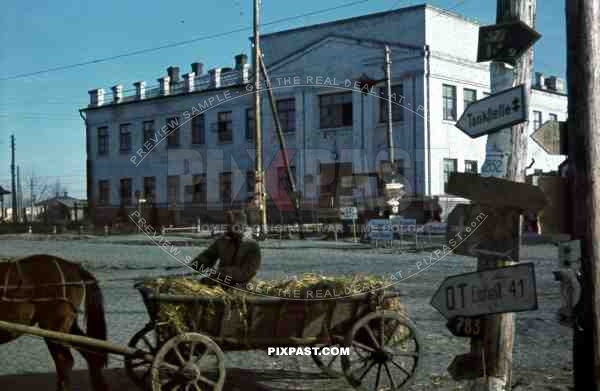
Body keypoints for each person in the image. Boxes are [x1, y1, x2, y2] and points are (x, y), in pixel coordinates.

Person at [188, 210, 261, 289]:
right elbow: (208, 256)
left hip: (244, 285)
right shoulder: (222, 241)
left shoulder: (252, 246)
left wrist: (220, 272)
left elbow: (245, 273)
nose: (228, 227)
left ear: (242, 226)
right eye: (228, 224)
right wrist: (195, 264)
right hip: (220, 281)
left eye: (232, 225)